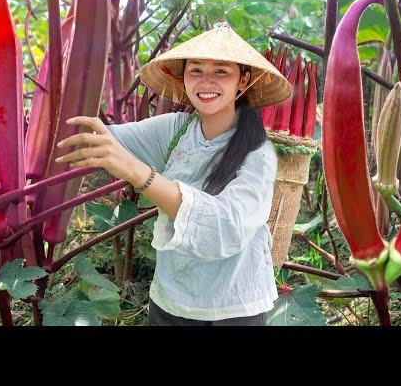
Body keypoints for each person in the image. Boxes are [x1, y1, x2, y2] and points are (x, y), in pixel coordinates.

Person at [55, 23, 293, 325]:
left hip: (232, 309)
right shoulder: (175, 129)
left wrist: (140, 174)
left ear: (243, 81)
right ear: (183, 77)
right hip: (168, 304)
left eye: (221, 72)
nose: (206, 82)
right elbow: (101, 138)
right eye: (195, 71)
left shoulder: (259, 155)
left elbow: (224, 228)